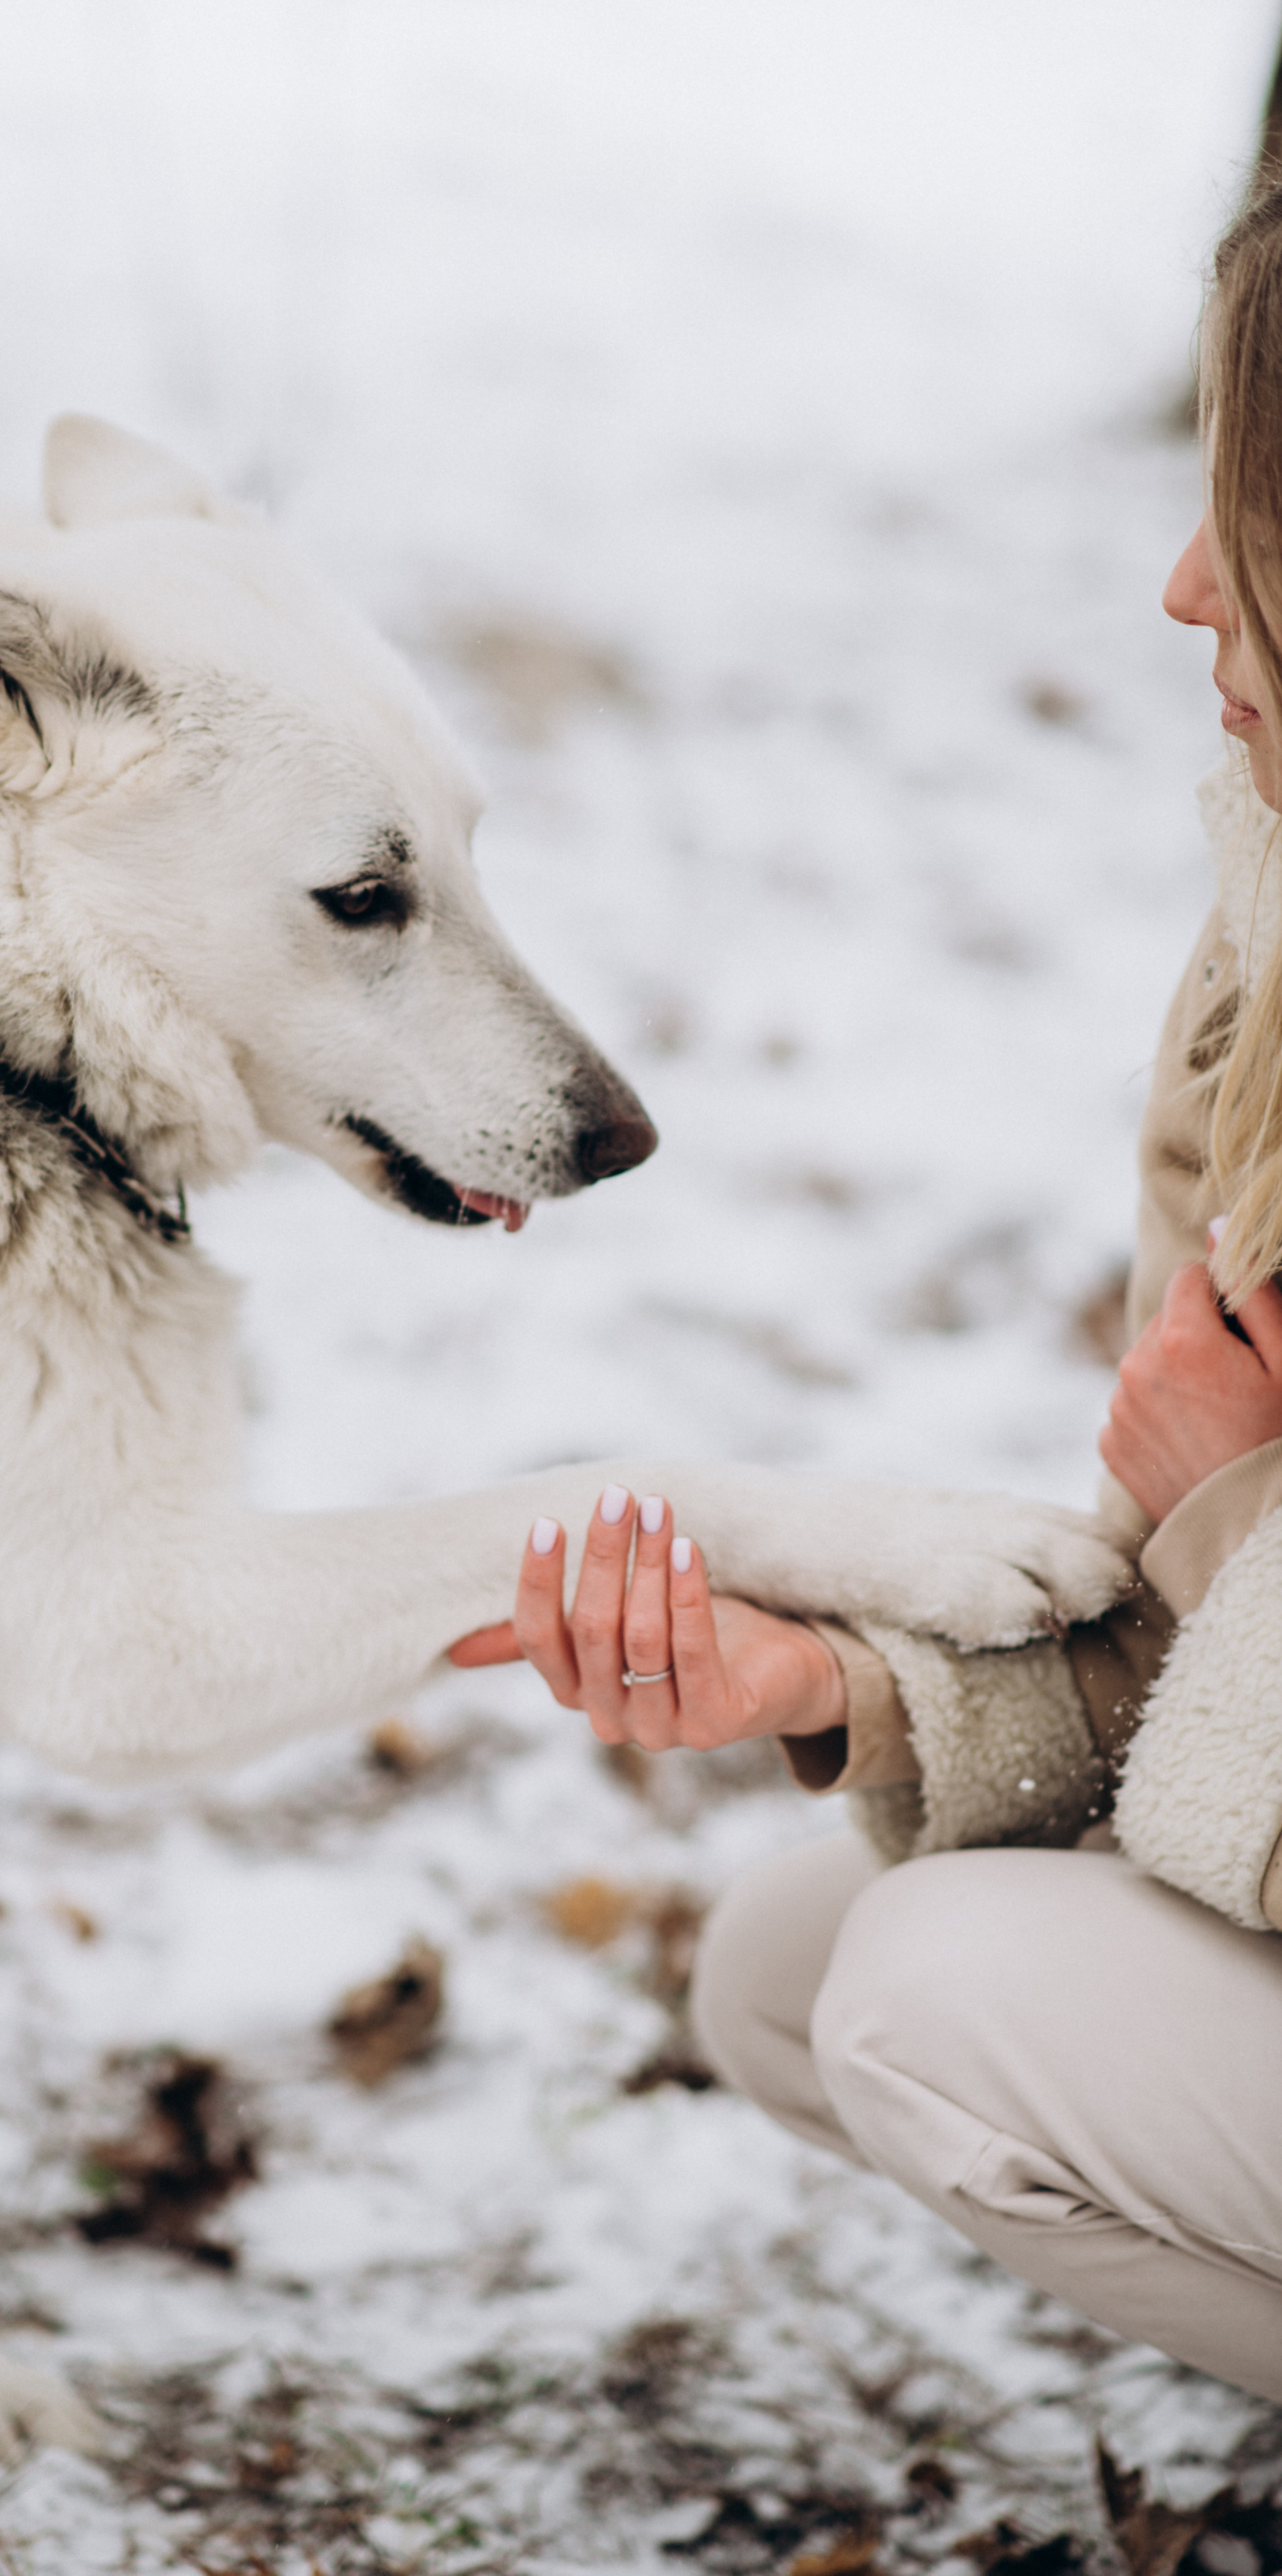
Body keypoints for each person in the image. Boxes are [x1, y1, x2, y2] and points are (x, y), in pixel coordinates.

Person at [451, 185, 1282, 2404]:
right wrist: (831, 1685)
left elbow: (1241, 1558)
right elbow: (1222, 1671)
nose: (1180, 583)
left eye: (1259, 514)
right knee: (805, 1964)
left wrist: (1226, 1510)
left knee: (944, 2002)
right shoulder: (1271, 938)